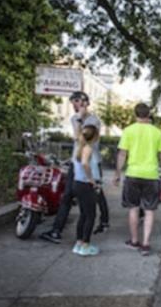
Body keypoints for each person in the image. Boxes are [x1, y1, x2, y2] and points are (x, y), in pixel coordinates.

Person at [40, 91, 109, 243]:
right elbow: (77, 139)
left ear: (84, 102)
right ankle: (57, 231)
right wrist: (78, 118)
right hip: (77, 163)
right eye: (72, 102)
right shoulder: (74, 118)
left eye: (76, 102)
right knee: (67, 196)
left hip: (91, 163)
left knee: (96, 194)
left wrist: (80, 118)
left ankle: (101, 223)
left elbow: (81, 138)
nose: (73, 105)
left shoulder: (93, 120)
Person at [113, 103, 161, 256]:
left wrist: (117, 173)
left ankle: (134, 241)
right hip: (151, 175)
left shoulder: (128, 131)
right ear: (149, 114)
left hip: (133, 174)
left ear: (135, 114)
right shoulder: (157, 132)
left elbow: (122, 154)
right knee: (150, 211)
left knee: (133, 209)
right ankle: (146, 244)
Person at [72, 124, 101, 256]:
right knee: (91, 215)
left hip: (78, 183)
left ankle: (78, 243)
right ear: (95, 136)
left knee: (83, 215)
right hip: (85, 184)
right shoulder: (88, 148)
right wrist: (91, 179)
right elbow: (84, 163)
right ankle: (85, 245)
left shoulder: (80, 147)